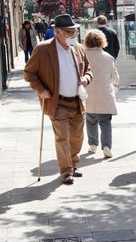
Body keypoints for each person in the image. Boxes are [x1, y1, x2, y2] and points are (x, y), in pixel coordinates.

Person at [23, 14, 93, 185]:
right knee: (62, 137)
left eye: (75, 31)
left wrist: (86, 79)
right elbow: (29, 73)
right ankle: (66, 171)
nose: (73, 34)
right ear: (58, 32)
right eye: (70, 31)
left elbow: (89, 69)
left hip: (76, 100)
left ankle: (73, 163)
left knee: (77, 136)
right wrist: (40, 89)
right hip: (57, 102)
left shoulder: (77, 48)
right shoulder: (43, 49)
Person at [83, 29, 119, 158]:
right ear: (102, 41)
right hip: (105, 93)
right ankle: (106, 147)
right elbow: (114, 76)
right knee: (105, 122)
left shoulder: (83, 56)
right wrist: (115, 85)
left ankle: (93, 145)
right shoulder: (108, 57)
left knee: (90, 120)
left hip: (88, 93)